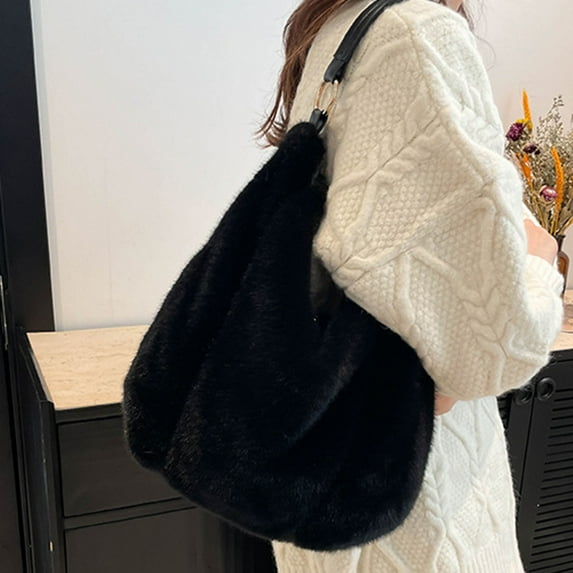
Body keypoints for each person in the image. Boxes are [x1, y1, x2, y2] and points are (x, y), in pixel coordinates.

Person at [259, 0, 564, 571]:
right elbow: (492, 347)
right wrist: (541, 259)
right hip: (419, 514)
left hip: (326, 488)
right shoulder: (420, 34)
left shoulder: (333, 29)